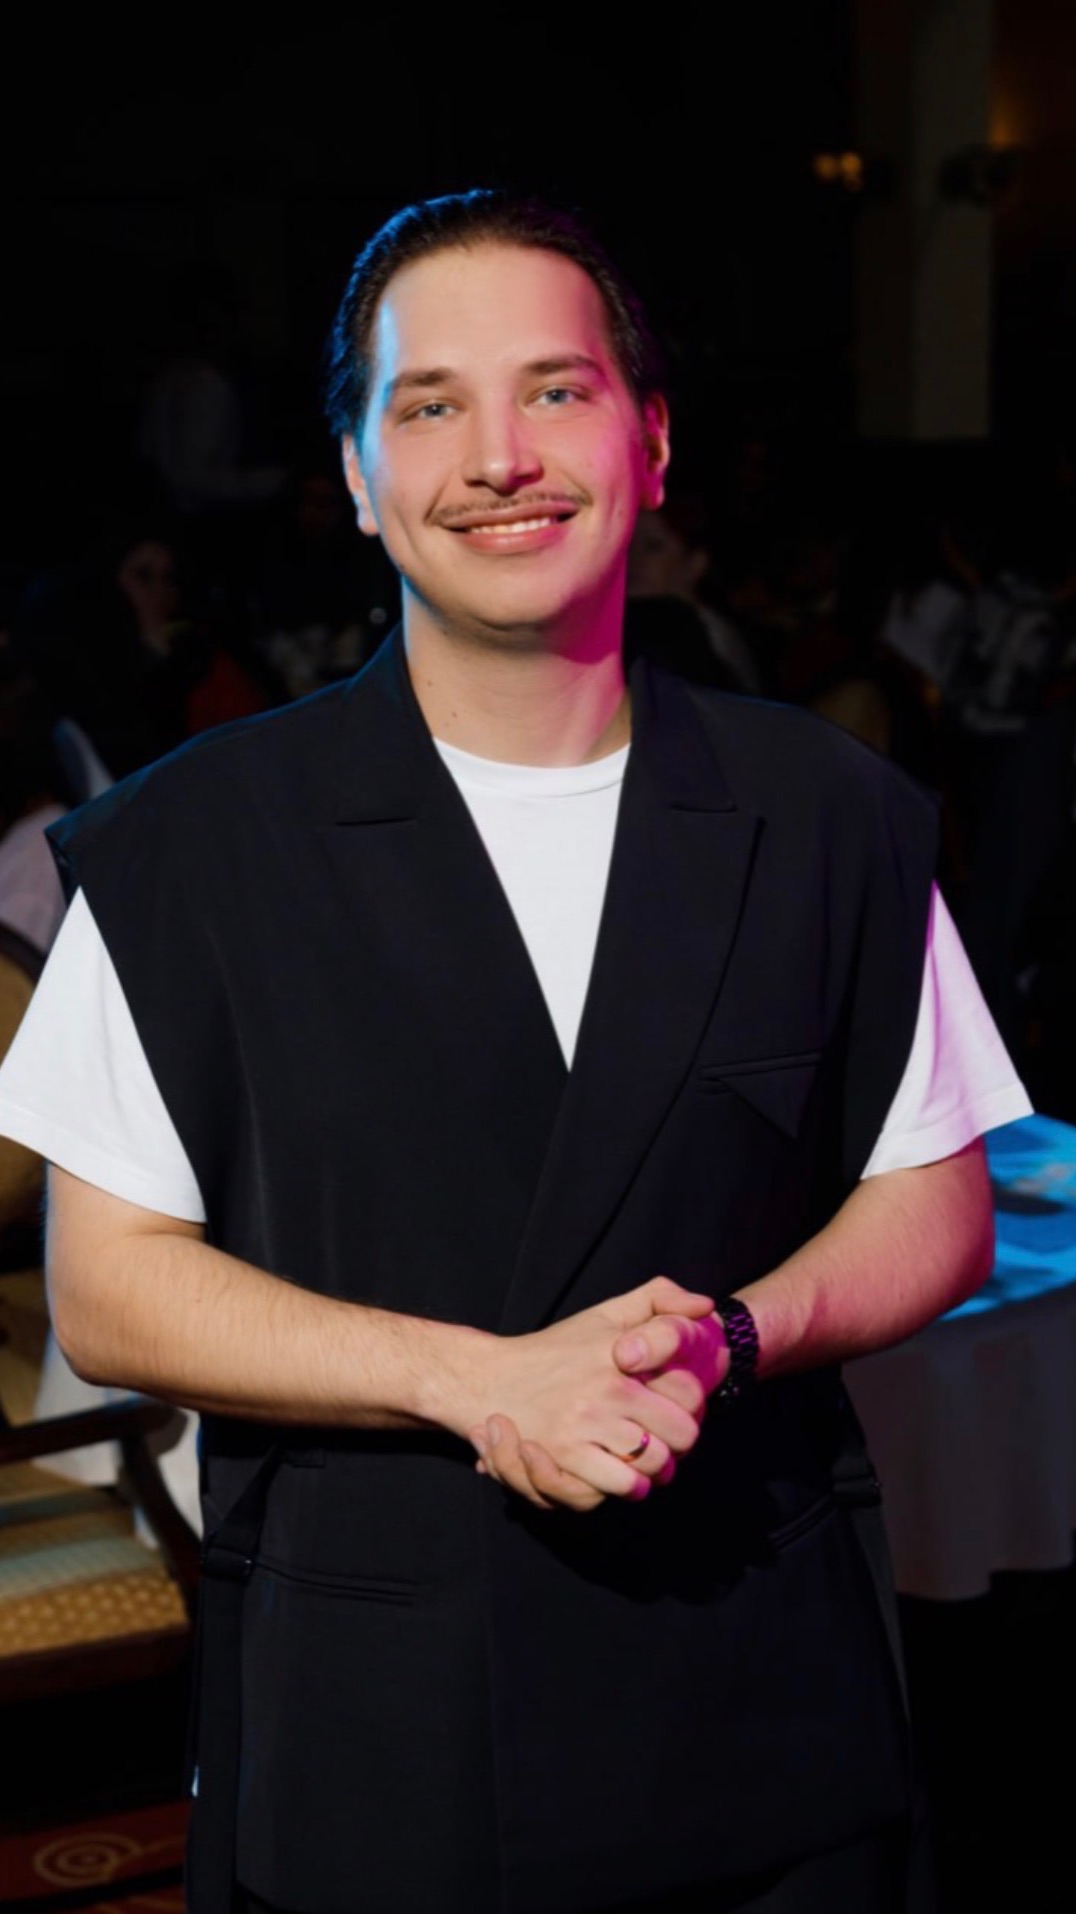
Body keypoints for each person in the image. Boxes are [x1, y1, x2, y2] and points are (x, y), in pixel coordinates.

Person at [0, 191, 1031, 1913]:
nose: (500, 456)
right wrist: (482, 1380)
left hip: (756, 1681)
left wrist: (727, 1333)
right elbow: (108, 1290)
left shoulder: (826, 812)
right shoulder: (194, 846)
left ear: (652, 440)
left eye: (556, 389)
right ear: (354, 473)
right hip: (380, 1703)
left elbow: (935, 1200)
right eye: (430, 405)